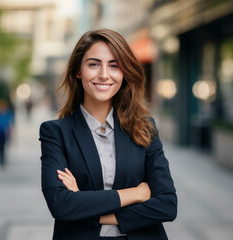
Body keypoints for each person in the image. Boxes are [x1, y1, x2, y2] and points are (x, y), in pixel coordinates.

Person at [39, 29, 177, 240]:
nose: (104, 74)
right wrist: (136, 194)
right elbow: (61, 205)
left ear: (123, 73)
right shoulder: (55, 133)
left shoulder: (145, 128)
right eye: (94, 64)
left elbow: (167, 205)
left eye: (114, 65)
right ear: (78, 71)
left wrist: (86, 206)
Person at [0, 98, 14, 167]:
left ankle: (2, 158)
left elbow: (9, 123)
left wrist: (10, 131)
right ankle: (1, 157)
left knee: (2, 146)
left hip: (3, 132)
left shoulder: (8, 113)